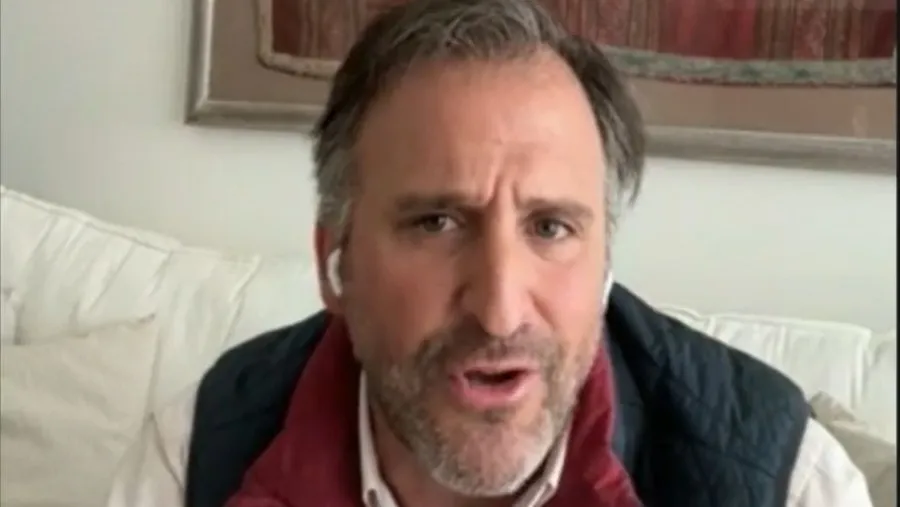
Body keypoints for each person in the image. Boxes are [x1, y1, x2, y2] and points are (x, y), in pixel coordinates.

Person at [106, 1, 874, 506]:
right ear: (336, 264)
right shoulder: (197, 455)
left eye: (551, 227)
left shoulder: (782, 478)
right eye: (437, 222)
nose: (500, 309)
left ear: (604, 264)